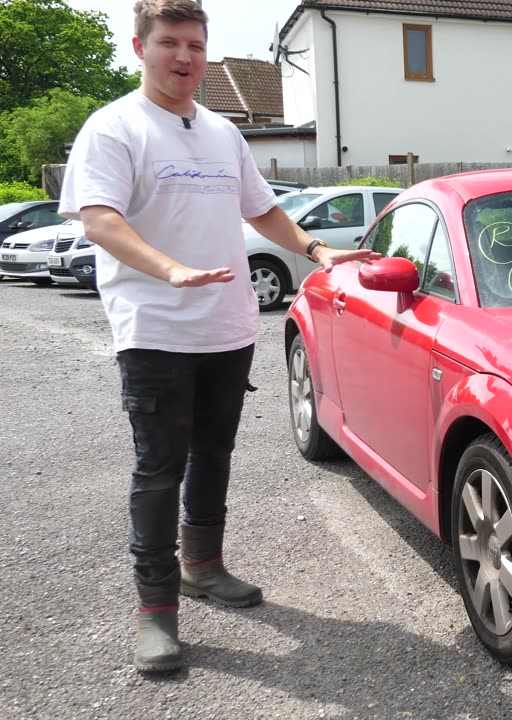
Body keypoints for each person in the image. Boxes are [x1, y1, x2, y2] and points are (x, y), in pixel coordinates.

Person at [58, 0, 378, 673]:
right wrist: (170, 268)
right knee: (159, 467)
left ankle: (204, 566)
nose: (184, 58)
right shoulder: (114, 128)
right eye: (170, 43)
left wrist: (319, 252)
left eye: (196, 45)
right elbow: (100, 221)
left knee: (214, 456)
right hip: (154, 329)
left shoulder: (222, 133)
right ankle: (156, 612)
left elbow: (261, 209)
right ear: (139, 46)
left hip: (226, 327)